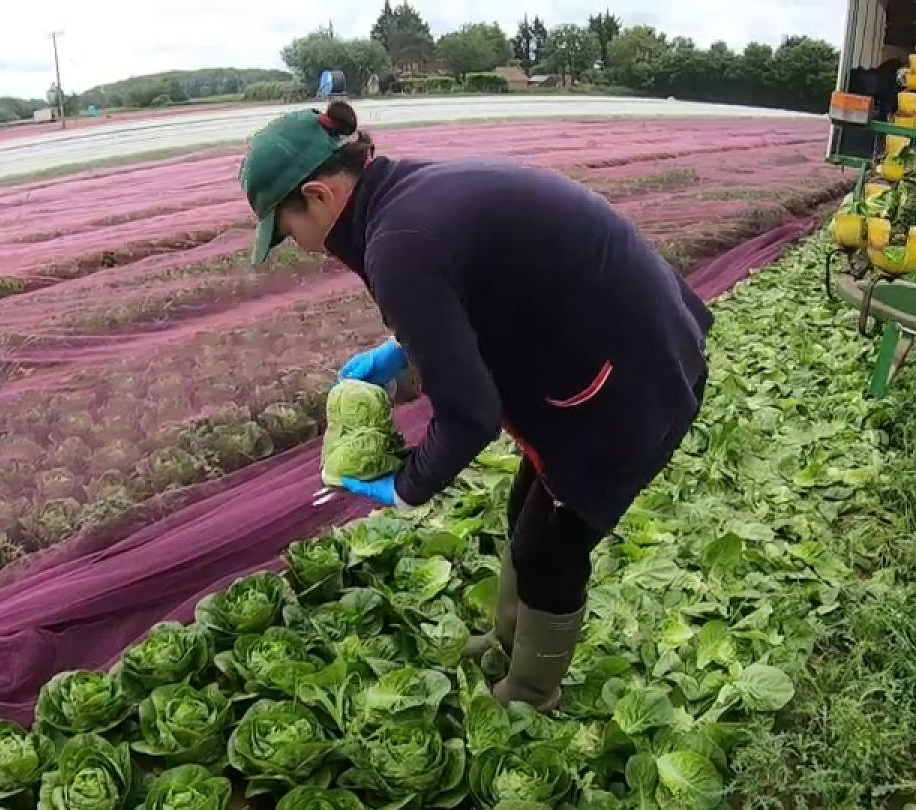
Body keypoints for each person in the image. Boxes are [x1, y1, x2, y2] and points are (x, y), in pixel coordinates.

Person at [238, 101, 712, 711]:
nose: (297, 247)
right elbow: (471, 283)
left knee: (552, 547)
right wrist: (402, 349)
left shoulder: (396, 241)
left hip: (629, 372)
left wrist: (408, 486)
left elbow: (470, 415)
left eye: (286, 229)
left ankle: (530, 692)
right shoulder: (406, 193)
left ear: (320, 194)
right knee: (526, 510)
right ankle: (509, 638)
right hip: (606, 339)